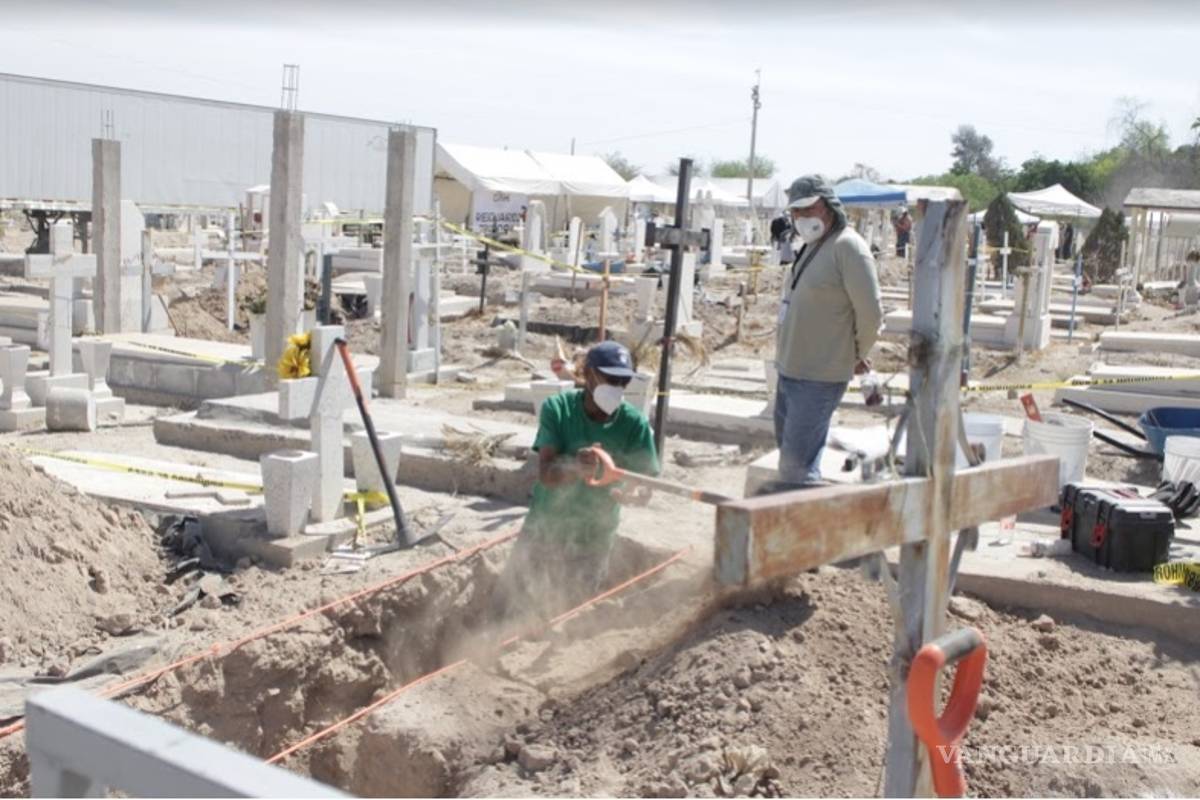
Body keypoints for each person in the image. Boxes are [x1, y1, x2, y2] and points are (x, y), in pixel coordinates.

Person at [507, 341, 659, 612]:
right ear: (588, 374)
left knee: (568, 615)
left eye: (623, 382)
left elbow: (646, 481)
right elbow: (546, 474)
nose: (616, 388)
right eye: (610, 379)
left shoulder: (634, 424)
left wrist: (634, 494)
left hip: (592, 542)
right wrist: (574, 467)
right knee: (510, 607)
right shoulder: (559, 409)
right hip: (543, 531)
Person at [771, 174, 883, 488]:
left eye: (810, 209)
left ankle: (806, 530)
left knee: (798, 470)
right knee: (791, 461)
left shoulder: (848, 247)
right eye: (797, 211)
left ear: (829, 206)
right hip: (791, 368)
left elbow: (871, 314)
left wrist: (855, 354)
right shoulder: (812, 245)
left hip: (818, 376)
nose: (803, 218)